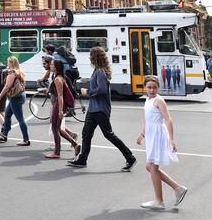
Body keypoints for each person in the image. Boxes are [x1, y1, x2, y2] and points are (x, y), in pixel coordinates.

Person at [67, 47, 136, 170]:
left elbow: (102, 90)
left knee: (108, 134)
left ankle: (130, 157)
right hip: (94, 108)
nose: (89, 58)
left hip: (99, 109)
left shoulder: (100, 72)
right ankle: (82, 159)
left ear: (95, 58)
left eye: (90, 56)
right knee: (86, 133)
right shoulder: (98, 71)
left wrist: (87, 92)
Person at [136, 75, 187, 210]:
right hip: (151, 135)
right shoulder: (147, 100)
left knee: (153, 166)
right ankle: (178, 188)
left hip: (159, 135)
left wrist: (172, 139)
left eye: (155, 87)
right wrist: (142, 134)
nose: (152, 90)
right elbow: (148, 120)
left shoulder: (159, 100)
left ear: (158, 88)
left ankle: (159, 201)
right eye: (149, 87)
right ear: (145, 88)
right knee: (150, 166)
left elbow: (168, 119)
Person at [44, 59, 79, 159]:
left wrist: (60, 110)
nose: (50, 66)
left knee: (55, 128)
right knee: (57, 127)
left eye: (51, 64)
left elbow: (60, 96)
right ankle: (75, 144)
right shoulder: (59, 77)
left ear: (56, 67)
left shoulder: (58, 79)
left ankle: (57, 152)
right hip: (59, 104)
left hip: (59, 105)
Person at [0, 56, 30, 146]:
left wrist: (0, 96)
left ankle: (26, 140)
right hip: (21, 95)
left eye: (8, 62)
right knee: (7, 115)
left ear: (12, 63)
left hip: (15, 97)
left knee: (20, 119)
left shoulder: (12, 73)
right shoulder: (19, 72)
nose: (7, 64)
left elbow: (7, 87)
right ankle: (4, 135)